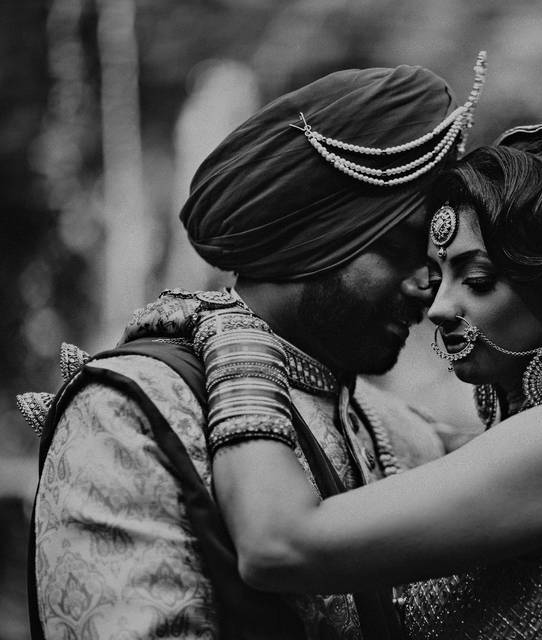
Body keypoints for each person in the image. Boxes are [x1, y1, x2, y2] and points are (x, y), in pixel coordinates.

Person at [161, 124, 542, 638]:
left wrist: (237, 336)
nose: (438, 306)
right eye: (438, 274)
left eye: (475, 280)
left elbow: (278, 545)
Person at [17, 56, 487, 640]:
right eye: (402, 247)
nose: (430, 284)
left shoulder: (395, 427)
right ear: (315, 237)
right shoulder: (130, 412)